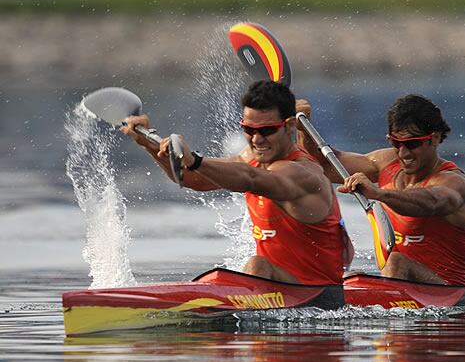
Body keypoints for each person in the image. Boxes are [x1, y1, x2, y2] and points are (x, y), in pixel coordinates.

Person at [121, 80, 352, 285]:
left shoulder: (303, 173)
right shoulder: (250, 157)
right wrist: (149, 146)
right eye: (248, 129)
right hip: (276, 285)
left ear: (290, 126)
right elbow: (196, 179)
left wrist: (194, 159)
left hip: (317, 293)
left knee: (256, 264)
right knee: (252, 267)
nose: (256, 139)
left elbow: (250, 179)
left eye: (267, 130)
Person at [297, 94, 465, 285]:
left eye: (412, 144)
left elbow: (431, 202)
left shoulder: (454, 183)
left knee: (395, 260)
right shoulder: (385, 162)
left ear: (433, 139)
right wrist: (303, 129)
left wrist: (378, 194)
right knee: (349, 278)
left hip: (449, 290)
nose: (403, 153)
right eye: (395, 143)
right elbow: (322, 166)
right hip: (400, 283)